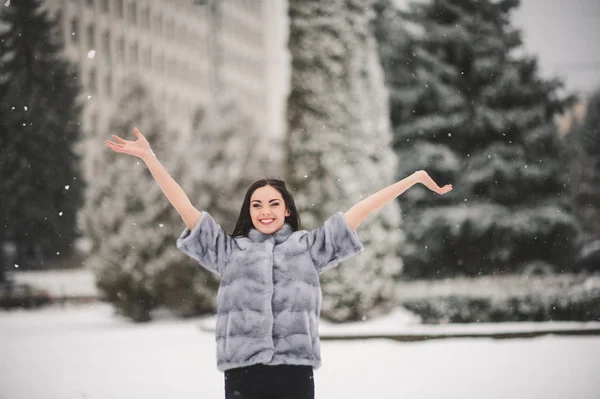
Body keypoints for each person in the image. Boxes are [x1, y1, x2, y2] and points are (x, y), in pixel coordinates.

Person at [105, 128, 452, 399]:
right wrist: (150, 158)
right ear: (249, 211)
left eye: (273, 203)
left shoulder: (309, 247)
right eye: (257, 205)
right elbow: (186, 209)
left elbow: (359, 211)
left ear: (286, 209)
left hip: (294, 370)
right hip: (242, 372)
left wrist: (413, 179)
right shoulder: (229, 252)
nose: (265, 211)